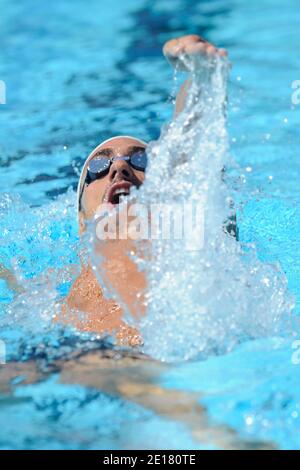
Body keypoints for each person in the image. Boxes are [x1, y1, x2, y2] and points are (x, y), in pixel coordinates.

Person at [62, 35, 228, 346]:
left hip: (152, 365)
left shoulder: (184, 237)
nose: (119, 168)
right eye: (99, 166)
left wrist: (201, 79)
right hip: (67, 360)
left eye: (141, 160)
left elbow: (195, 155)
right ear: (81, 219)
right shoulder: (49, 284)